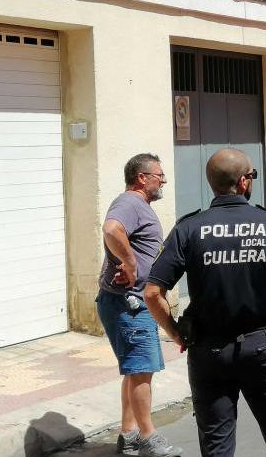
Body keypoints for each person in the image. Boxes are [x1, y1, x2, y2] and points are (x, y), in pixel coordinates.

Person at [144, 149, 266, 457]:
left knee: (217, 446)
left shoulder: (189, 228)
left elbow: (152, 292)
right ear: (243, 182)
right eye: (251, 176)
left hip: (208, 352)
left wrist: (175, 332)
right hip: (262, 346)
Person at [96, 153, 182, 457]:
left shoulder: (136, 205)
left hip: (126, 302)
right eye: (159, 176)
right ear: (141, 178)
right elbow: (110, 229)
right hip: (128, 303)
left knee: (135, 370)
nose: (163, 181)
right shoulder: (130, 203)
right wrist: (130, 262)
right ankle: (148, 437)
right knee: (142, 369)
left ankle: (129, 433)